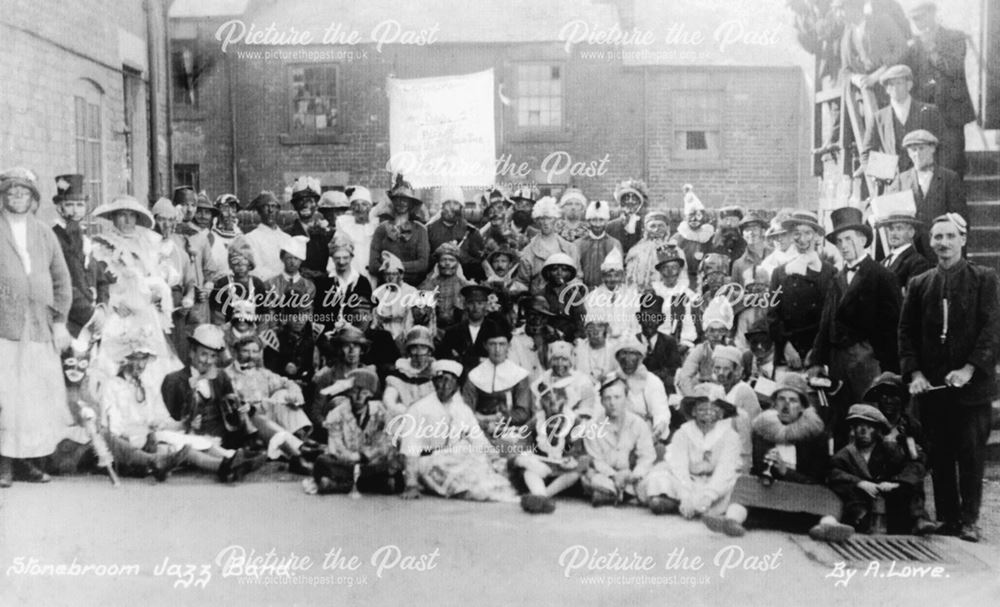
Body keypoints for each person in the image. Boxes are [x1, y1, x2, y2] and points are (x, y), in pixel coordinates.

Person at [898, 214, 1000, 542]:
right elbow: (906, 332)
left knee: (970, 453)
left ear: (963, 240)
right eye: (937, 237)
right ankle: (947, 517)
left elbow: (992, 328)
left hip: (972, 390)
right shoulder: (920, 283)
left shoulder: (984, 278)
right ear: (930, 243)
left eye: (950, 236)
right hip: (933, 389)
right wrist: (914, 373)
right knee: (939, 454)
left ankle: (969, 519)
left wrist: (970, 369)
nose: (943, 243)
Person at [703, 374, 853, 540]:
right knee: (743, 484)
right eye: (781, 399)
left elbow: (817, 477)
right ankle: (731, 520)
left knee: (830, 497)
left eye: (793, 400)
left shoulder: (816, 435)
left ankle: (827, 527)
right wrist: (771, 468)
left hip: (803, 494)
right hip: (771, 491)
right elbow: (759, 469)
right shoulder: (763, 429)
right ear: (774, 404)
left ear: (803, 407)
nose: (786, 406)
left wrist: (784, 470)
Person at [0, 168, 74, 486]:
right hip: (6, 330)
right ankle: (4, 465)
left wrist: (59, 321)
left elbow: (61, 280)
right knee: (6, 399)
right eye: (11, 193)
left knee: (34, 399)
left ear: (33, 199)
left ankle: (29, 462)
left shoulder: (44, 234)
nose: (18, 198)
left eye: (24, 193)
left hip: (39, 329)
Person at [807, 207, 902, 443]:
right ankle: (845, 471)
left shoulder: (882, 275)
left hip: (868, 361)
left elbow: (893, 326)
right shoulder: (837, 278)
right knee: (841, 417)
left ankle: (873, 471)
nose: (844, 246)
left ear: (863, 239)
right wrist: (818, 360)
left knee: (869, 416)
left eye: (848, 239)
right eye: (839, 241)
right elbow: (826, 321)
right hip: (837, 361)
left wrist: (888, 368)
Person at [48, 344, 187, 482]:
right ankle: (152, 461)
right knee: (105, 435)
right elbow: (109, 426)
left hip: (126, 443)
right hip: (85, 446)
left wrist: (182, 424)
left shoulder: (146, 387)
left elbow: (159, 418)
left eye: (144, 359)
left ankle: (149, 463)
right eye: (136, 359)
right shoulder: (108, 385)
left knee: (157, 440)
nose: (141, 365)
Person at [90, 195, 183, 393]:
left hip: (145, 311)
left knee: (150, 357)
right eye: (122, 215)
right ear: (113, 217)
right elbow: (99, 281)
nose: (127, 220)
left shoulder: (147, 243)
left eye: (131, 215)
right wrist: (113, 302)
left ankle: (148, 402)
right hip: (119, 310)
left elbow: (159, 274)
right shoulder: (102, 244)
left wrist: (159, 293)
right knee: (116, 359)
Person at [398, 360, 517, 502]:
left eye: (449, 382)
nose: (444, 386)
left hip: (456, 457)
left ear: (457, 386)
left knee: (486, 474)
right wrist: (411, 484)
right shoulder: (418, 409)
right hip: (427, 461)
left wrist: (495, 458)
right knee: (469, 487)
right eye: (440, 381)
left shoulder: (462, 409)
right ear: (433, 383)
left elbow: (478, 439)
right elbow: (410, 448)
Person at [157, 325, 265, 482]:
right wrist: (189, 420)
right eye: (204, 355)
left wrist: (241, 409)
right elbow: (173, 420)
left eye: (213, 356)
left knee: (259, 419)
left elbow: (231, 409)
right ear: (192, 353)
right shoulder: (173, 380)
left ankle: (292, 451)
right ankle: (233, 463)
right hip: (193, 439)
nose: (208, 361)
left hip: (224, 436)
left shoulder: (220, 376)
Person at [513, 348, 601, 514]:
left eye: (558, 401)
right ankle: (539, 494)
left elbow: (581, 452)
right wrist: (527, 458)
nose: (552, 406)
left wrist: (572, 460)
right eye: (548, 401)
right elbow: (519, 443)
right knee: (528, 470)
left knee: (577, 472)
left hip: (562, 474)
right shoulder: (537, 421)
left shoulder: (574, 422)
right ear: (542, 402)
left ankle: (544, 497)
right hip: (541, 468)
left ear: (565, 402)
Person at [829, 404, 938, 536]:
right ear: (852, 429)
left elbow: (915, 466)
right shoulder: (845, 454)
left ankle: (919, 519)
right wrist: (860, 483)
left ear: (877, 430)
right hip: (860, 505)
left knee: (911, 485)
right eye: (859, 426)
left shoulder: (889, 450)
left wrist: (897, 482)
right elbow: (834, 473)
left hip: (891, 504)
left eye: (869, 426)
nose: (863, 431)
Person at [645, 383, 741, 519]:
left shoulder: (730, 436)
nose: (708, 413)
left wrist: (709, 496)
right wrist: (685, 495)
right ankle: (680, 503)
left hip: (714, 482)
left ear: (721, 413)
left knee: (735, 484)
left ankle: (702, 507)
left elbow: (725, 470)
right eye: (702, 409)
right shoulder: (683, 433)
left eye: (713, 409)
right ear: (694, 412)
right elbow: (679, 467)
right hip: (688, 479)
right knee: (660, 475)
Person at [907, 1, 976, 177]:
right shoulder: (913, 45)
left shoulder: (955, 37)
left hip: (952, 112)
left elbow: (955, 69)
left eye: (920, 17)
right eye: (914, 19)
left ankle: (956, 203)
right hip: (926, 113)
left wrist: (932, 50)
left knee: (954, 164)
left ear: (932, 14)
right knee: (929, 167)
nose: (917, 23)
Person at [312, 368, 403, 494]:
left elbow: (387, 441)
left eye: (365, 392)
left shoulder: (381, 412)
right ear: (349, 392)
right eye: (355, 391)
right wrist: (352, 458)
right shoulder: (336, 413)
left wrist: (365, 456)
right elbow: (335, 445)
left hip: (371, 462)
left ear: (371, 394)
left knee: (393, 464)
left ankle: (342, 484)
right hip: (346, 462)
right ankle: (364, 483)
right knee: (322, 461)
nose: (359, 396)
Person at [768, 210, 836, 369]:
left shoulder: (830, 273)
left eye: (808, 233)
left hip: (818, 355)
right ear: (792, 236)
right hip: (788, 354)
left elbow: (832, 318)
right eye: (797, 233)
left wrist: (817, 351)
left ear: (817, 236)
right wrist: (786, 347)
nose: (802, 239)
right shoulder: (779, 273)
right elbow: (772, 316)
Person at [226, 335, 316, 451]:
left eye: (255, 352)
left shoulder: (263, 373)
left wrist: (294, 393)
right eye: (245, 351)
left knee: (282, 394)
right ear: (236, 352)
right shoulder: (227, 375)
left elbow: (286, 382)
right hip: (248, 423)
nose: (251, 356)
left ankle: (301, 436)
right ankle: (299, 446)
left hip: (269, 418)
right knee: (272, 402)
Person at [581, 375, 656, 507]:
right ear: (602, 401)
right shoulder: (592, 427)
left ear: (626, 399)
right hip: (606, 475)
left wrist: (633, 475)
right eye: (607, 398)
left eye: (617, 397)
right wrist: (614, 475)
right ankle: (621, 494)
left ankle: (613, 494)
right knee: (591, 478)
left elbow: (647, 456)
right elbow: (596, 460)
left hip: (631, 475)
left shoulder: (638, 423)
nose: (612, 403)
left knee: (651, 481)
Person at [893, 129, 967, 261]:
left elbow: (959, 218)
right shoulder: (901, 180)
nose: (917, 154)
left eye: (921, 148)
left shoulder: (949, 178)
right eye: (913, 150)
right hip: (911, 251)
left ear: (932, 149)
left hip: (940, 249)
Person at [860, 64, 946, 178]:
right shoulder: (879, 118)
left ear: (909, 85)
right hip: (895, 185)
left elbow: (945, 148)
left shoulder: (929, 112)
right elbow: (866, 154)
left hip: (925, 181)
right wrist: (883, 176)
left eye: (899, 83)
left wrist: (934, 176)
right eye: (890, 84)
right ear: (886, 90)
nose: (894, 88)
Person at [462, 321, 533, 448]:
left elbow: (523, 413)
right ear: (485, 345)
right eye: (492, 344)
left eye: (502, 344)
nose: (497, 349)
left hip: (512, 433)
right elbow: (465, 410)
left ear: (508, 346)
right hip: (479, 432)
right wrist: (482, 423)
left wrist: (499, 419)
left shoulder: (519, 375)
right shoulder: (474, 375)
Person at [51, 174, 100, 338]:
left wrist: (103, 307)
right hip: (71, 319)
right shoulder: (54, 238)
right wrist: (89, 314)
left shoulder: (85, 237)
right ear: (59, 207)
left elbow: (100, 277)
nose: (75, 210)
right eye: (69, 204)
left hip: (94, 315)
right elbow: (59, 282)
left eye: (80, 204)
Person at [151, 198, 199, 359]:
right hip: (153, 310)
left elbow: (190, 283)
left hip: (176, 312)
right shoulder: (146, 248)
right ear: (154, 220)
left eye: (171, 220)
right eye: (162, 219)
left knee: (177, 354)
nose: (167, 225)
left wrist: (188, 299)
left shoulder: (180, 252)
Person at [368, 176, 429, 286]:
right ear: (392, 201)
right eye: (397, 199)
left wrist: (395, 266)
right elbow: (373, 265)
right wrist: (389, 271)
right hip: (386, 286)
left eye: (405, 200)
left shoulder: (420, 230)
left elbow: (423, 264)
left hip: (413, 286)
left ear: (411, 203)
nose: (401, 203)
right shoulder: (381, 229)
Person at [712, 344, 762, 468]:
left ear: (737, 371)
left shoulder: (744, 392)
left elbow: (748, 438)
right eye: (717, 368)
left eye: (726, 369)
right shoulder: (717, 391)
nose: (721, 373)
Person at [612, 337, 671, 443]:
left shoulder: (652, 381)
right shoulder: (610, 379)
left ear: (640, 358)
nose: (627, 359)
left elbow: (661, 412)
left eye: (632, 354)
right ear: (617, 358)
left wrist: (657, 433)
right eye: (623, 354)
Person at [516, 196, 578, 295]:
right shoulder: (529, 251)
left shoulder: (569, 248)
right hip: (539, 301)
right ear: (536, 221)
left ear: (555, 219)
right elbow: (522, 282)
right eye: (542, 218)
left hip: (563, 300)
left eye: (549, 218)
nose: (545, 223)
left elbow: (576, 278)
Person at [677, 296, 734, 395]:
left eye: (720, 331)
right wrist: (693, 398)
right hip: (704, 391)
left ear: (727, 332)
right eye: (712, 330)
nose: (716, 335)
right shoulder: (701, 349)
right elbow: (685, 375)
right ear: (706, 333)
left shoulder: (733, 349)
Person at [426, 186, 485, 282]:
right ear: (442, 206)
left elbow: (479, 266)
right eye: (448, 203)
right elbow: (423, 265)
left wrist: (461, 255)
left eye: (456, 203)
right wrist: (436, 253)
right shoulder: (429, 230)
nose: (452, 207)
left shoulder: (471, 232)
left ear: (461, 207)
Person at [313, 236, 373, 328]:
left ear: (351, 257)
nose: (341, 262)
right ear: (332, 258)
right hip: (328, 331)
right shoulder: (323, 282)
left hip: (355, 332)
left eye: (345, 257)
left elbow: (366, 312)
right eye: (337, 258)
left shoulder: (362, 282)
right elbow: (318, 313)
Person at [436, 284, 494, 374]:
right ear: (465, 305)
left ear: (486, 305)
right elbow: (446, 358)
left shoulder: (495, 329)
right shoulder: (453, 332)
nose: (475, 307)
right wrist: (478, 360)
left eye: (480, 303)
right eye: (471, 303)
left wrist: (463, 358)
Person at [236, 191, 293, 282]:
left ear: (278, 210)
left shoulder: (287, 239)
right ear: (259, 211)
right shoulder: (250, 238)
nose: (270, 210)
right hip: (265, 288)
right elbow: (255, 270)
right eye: (265, 206)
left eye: (273, 206)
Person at [584, 248, 639, 341]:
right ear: (602, 277)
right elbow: (590, 323)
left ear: (622, 276)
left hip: (626, 341)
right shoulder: (592, 297)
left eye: (616, 275)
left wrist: (625, 338)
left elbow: (636, 324)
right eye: (609, 275)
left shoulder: (632, 296)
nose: (612, 279)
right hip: (602, 341)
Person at [284, 176, 331, 281]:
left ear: (316, 204)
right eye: (300, 201)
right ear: (294, 205)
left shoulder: (327, 232)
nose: (305, 205)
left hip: (324, 287)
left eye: (310, 200)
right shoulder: (287, 234)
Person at [634, 292, 682, 394]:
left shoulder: (669, 342)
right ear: (639, 319)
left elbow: (673, 369)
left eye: (654, 318)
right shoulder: (632, 341)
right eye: (646, 317)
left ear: (660, 321)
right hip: (636, 389)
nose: (650, 322)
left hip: (662, 389)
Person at [875, 208, 932, 294]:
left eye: (899, 228)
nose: (893, 233)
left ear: (911, 232)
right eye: (891, 229)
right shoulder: (884, 262)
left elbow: (912, 297)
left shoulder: (917, 262)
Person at [382, 326, 437, 416]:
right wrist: (403, 411)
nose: (418, 353)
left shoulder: (437, 373)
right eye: (414, 348)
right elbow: (388, 400)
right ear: (408, 352)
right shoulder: (399, 374)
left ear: (429, 351)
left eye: (423, 348)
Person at [650, 245, 698, 346]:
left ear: (680, 270)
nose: (670, 272)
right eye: (665, 268)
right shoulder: (653, 293)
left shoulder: (688, 294)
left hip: (680, 342)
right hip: (656, 342)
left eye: (674, 267)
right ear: (660, 271)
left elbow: (690, 324)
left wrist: (685, 343)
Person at [210, 243, 267, 326]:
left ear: (250, 264)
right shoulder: (222, 283)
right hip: (227, 329)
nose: (240, 267)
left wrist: (259, 331)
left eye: (244, 263)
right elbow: (217, 313)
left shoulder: (257, 284)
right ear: (231, 265)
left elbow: (263, 312)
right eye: (236, 264)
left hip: (252, 329)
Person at [420, 242, 471, 331]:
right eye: (444, 260)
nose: (447, 263)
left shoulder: (465, 287)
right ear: (438, 263)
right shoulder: (428, 286)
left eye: (451, 260)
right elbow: (419, 315)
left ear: (457, 263)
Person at [372, 252, 419, 346]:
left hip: (403, 334)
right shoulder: (379, 293)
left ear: (401, 275)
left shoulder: (410, 291)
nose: (390, 278)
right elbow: (375, 319)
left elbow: (410, 319)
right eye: (386, 274)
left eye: (394, 274)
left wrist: (405, 335)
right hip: (384, 336)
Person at [538, 253, 587, 342]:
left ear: (569, 273)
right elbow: (538, 320)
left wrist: (577, 338)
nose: (559, 273)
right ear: (548, 273)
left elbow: (580, 320)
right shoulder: (541, 294)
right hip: (548, 337)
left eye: (564, 270)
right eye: (554, 269)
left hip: (570, 338)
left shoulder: (574, 295)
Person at [673, 185, 715, 285]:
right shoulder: (678, 237)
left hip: (704, 280)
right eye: (690, 216)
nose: (694, 219)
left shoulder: (709, 236)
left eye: (698, 216)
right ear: (685, 218)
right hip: (682, 280)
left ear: (704, 217)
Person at [577, 199, 621, 288]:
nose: (597, 224)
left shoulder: (614, 244)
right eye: (594, 220)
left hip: (607, 291)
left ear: (606, 221)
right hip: (584, 290)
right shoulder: (578, 244)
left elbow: (619, 273)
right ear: (588, 221)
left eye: (601, 220)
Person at [334, 186, 377, 279]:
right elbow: (336, 251)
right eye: (356, 204)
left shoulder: (376, 226)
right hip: (351, 272)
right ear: (352, 208)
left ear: (370, 207)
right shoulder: (344, 226)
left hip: (372, 274)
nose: (360, 208)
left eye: (364, 204)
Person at [624, 210, 672, 291]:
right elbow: (630, 278)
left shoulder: (674, 250)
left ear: (666, 228)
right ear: (646, 229)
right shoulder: (636, 251)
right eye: (652, 226)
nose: (657, 229)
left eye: (661, 226)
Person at [606, 179, 648, 254]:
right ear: (620, 203)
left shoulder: (645, 226)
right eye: (626, 198)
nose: (630, 201)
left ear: (639, 204)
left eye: (634, 199)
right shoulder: (610, 227)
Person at [574, 317, 618, 385]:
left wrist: (608, 377)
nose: (596, 331)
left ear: (606, 330)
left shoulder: (615, 349)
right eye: (591, 327)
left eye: (600, 327)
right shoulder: (578, 349)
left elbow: (619, 371)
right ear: (586, 331)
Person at [209, 193, 243, 274]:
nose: (230, 213)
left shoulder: (240, 237)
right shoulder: (211, 237)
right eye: (225, 208)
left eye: (233, 208)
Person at [709, 206, 747, 270]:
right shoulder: (712, 239)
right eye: (726, 219)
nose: (729, 223)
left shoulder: (744, 242)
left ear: (738, 222)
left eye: (733, 220)